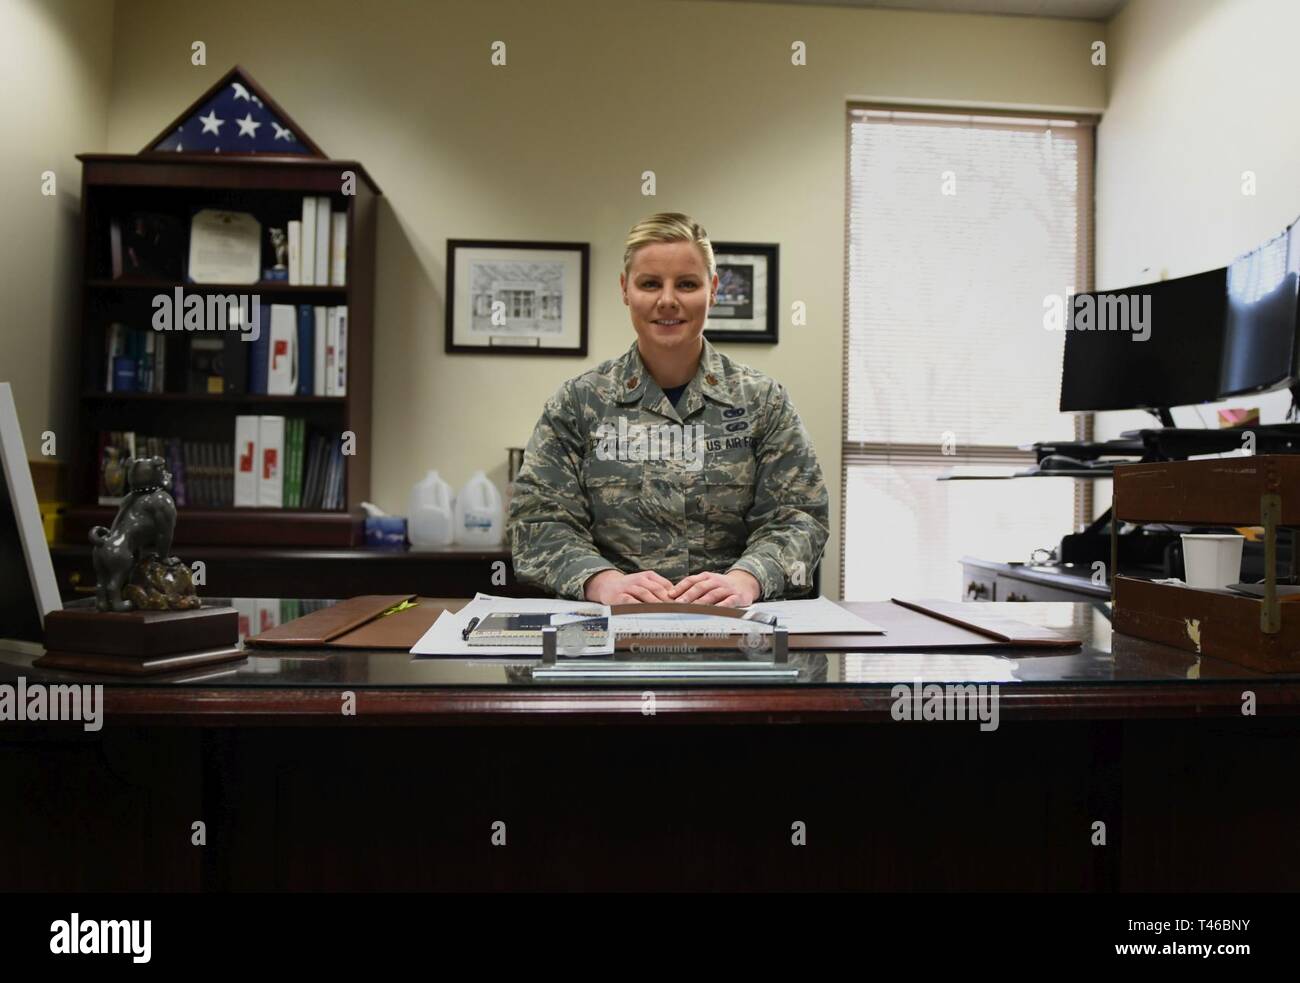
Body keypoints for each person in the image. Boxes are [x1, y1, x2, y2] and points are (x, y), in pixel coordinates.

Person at [509, 212, 828, 606]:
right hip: (608, 637)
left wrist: (750, 577)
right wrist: (597, 579)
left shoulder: (763, 402)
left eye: (687, 284)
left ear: (712, 289)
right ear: (625, 289)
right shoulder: (578, 403)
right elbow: (538, 519)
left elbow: (799, 516)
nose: (667, 300)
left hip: (736, 635)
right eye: (650, 283)